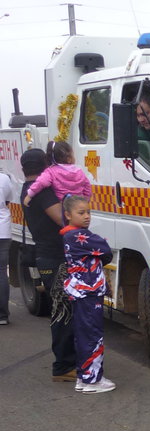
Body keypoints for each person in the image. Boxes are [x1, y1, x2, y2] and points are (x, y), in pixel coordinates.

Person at [19, 148, 76, 379]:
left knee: (63, 309)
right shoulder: (42, 193)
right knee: (63, 311)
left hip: (46, 255)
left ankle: (68, 362)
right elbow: (63, 218)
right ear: (45, 165)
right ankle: (63, 366)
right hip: (54, 257)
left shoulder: (28, 190)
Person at [60, 195, 114, 394]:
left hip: (80, 291)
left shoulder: (69, 235)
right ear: (67, 215)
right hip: (88, 291)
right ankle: (92, 380)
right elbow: (105, 248)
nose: (86, 217)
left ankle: (84, 377)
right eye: (80, 213)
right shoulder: (79, 236)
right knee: (92, 335)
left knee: (84, 334)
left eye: (88, 212)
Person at [22, 141, 92, 208]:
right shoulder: (79, 171)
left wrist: (30, 195)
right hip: (78, 204)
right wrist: (85, 200)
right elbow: (87, 186)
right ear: (69, 159)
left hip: (64, 206)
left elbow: (41, 182)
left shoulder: (51, 172)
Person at [0, 169, 13, 325]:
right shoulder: (4, 178)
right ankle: (2, 315)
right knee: (2, 272)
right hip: (2, 230)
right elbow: (8, 199)